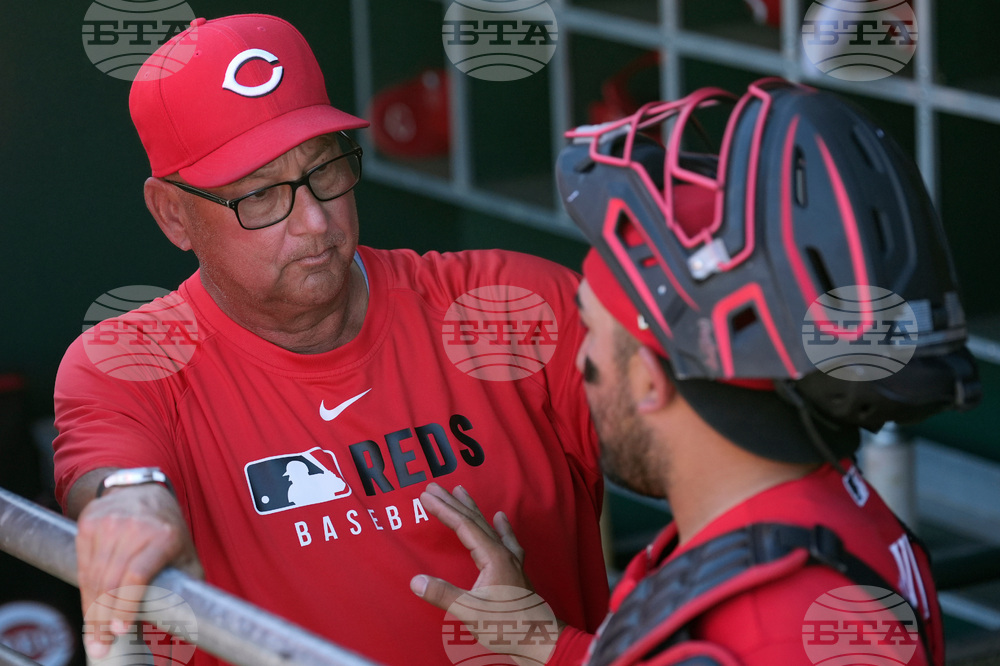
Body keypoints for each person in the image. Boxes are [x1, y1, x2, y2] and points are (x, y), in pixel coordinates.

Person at [52, 14, 609, 665]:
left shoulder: (510, 308)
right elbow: (113, 474)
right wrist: (132, 498)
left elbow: (726, 474)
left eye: (326, 170)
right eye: (260, 195)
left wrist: (555, 649)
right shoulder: (131, 362)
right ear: (173, 214)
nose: (315, 221)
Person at [410, 79, 980, 665]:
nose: (579, 361)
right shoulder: (830, 508)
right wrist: (544, 646)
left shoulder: (762, 629)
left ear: (651, 382)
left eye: (594, 335)